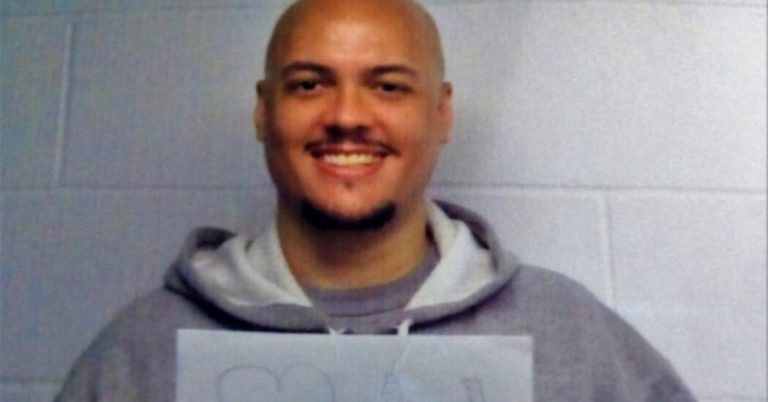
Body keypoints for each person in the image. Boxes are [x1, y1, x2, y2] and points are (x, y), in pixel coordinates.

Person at [56, 0, 696, 400]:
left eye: (388, 87)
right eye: (309, 84)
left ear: (441, 113)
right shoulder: (140, 353)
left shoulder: (569, 336)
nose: (347, 116)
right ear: (263, 110)